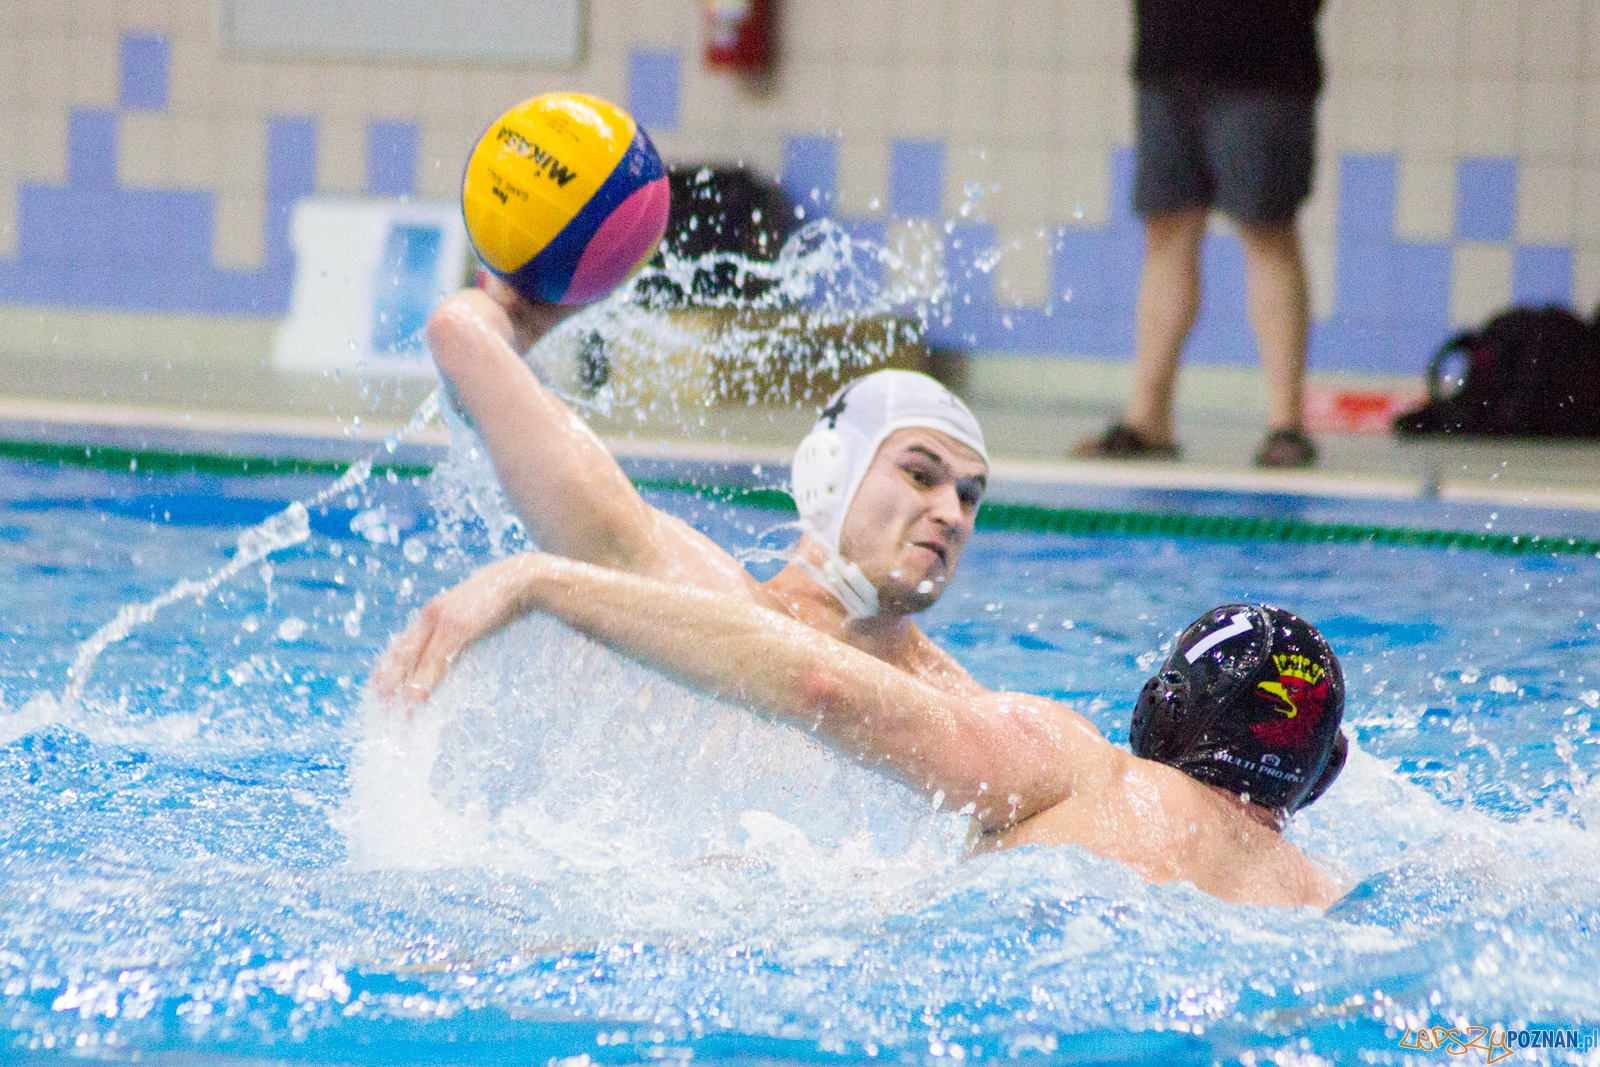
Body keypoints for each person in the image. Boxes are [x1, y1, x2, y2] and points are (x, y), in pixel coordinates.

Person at [379, 547, 1349, 908]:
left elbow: (814, 679)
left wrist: (547, 581)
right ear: (1318, 773)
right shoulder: (1320, 892)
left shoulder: (1082, 771)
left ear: (1161, 712)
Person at [371, 275, 992, 704]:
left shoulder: (967, 719)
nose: (952, 515)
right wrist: (522, 307)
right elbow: (460, 335)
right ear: (830, 474)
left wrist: (537, 579)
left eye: (969, 495)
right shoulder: (692, 599)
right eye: (920, 474)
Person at [1076, 0, 1325, 469]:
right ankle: (1148, 416)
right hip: (1167, 54)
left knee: (1266, 231)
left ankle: (1286, 423)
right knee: (1167, 229)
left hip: (1265, 57)